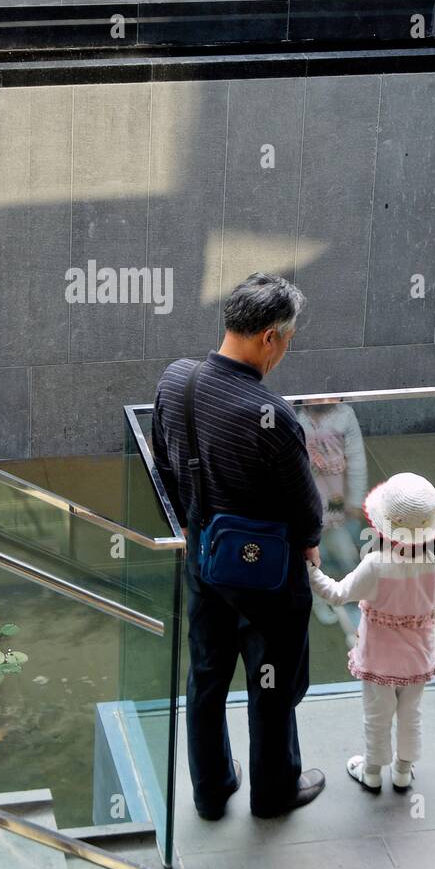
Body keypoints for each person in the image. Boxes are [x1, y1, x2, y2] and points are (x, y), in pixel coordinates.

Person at [152, 273, 325, 820]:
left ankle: (210, 789)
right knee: (270, 684)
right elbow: (307, 511)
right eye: (288, 340)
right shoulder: (271, 416)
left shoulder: (175, 381)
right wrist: (312, 546)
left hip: (203, 558)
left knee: (205, 675)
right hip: (266, 578)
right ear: (269, 338)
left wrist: (190, 524)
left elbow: (164, 463)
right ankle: (273, 793)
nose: (285, 352)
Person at [306, 472, 435, 792]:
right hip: (418, 659)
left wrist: (312, 572)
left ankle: (371, 772)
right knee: (411, 714)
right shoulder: (434, 561)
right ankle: (402, 770)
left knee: (377, 716)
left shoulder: (377, 564)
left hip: (380, 659)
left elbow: (338, 594)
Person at [296, 398, 367, 643]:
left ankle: (347, 594)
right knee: (312, 553)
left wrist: (356, 498)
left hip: (336, 496)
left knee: (343, 550)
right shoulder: (297, 417)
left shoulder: (344, 415)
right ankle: (317, 598)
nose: (324, 400)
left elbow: (356, 457)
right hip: (308, 498)